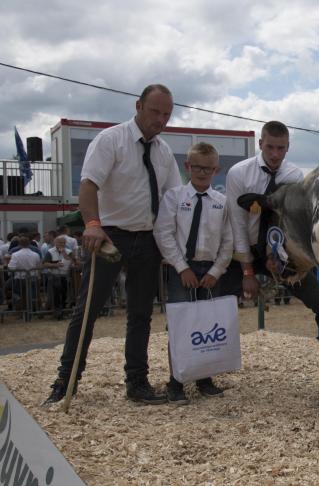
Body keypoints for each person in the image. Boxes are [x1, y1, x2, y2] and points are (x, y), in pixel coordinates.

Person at [43, 84, 182, 406]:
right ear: (138, 106)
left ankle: (137, 382)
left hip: (148, 239)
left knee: (141, 314)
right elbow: (89, 184)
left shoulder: (163, 152)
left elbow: (174, 199)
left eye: (166, 114)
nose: (160, 120)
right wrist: (93, 224)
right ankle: (66, 380)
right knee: (88, 310)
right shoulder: (111, 140)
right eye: (155, 112)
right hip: (110, 236)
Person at [224, 120, 319, 385]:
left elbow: (295, 225)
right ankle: (201, 372)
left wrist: (281, 258)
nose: (275, 154)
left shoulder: (295, 177)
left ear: (288, 148)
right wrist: (247, 270)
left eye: (281, 148)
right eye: (270, 147)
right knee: (213, 301)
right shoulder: (238, 174)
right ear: (260, 144)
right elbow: (236, 222)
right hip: (242, 252)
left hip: (281, 258)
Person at [154, 142, 233, 404]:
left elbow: (228, 241)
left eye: (208, 168)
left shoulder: (222, 202)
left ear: (216, 170)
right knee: (180, 325)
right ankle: (176, 382)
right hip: (182, 269)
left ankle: (204, 379)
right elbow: (163, 233)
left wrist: (217, 271)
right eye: (197, 167)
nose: (202, 172)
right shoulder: (174, 197)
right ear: (187, 166)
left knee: (208, 324)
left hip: (210, 271)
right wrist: (182, 267)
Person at [43, 235, 77, 319]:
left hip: (65, 276)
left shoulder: (69, 251)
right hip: (54, 276)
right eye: (60, 242)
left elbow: (74, 261)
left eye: (63, 242)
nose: (62, 244)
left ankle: (64, 311)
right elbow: (44, 263)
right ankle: (57, 312)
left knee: (65, 294)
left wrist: (64, 253)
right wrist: (55, 265)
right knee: (55, 295)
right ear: (55, 243)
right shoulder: (50, 252)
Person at [7, 235, 42, 310]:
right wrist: (39, 277)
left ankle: (22, 310)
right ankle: (33, 310)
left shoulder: (15, 254)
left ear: (19, 244)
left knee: (19, 294)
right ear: (29, 243)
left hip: (20, 278)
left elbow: (11, 267)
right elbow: (39, 266)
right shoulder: (35, 254)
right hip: (33, 277)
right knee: (32, 295)